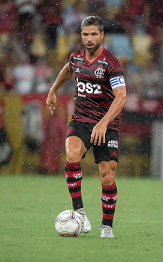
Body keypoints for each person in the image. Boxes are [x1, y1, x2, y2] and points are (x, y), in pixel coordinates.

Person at [45, 16, 127, 238]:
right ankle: (80, 213)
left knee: (107, 176)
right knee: (71, 155)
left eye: (93, 34)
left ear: (101, 35)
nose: (89, 39)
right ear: (81, 36)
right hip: (81, 120)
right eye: (85, 34)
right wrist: (53, 90)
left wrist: (103, 123)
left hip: (107, 124)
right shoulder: (77, 58)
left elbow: (121, 97)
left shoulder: (111, 63)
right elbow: (67, 69)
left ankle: (106, 227)